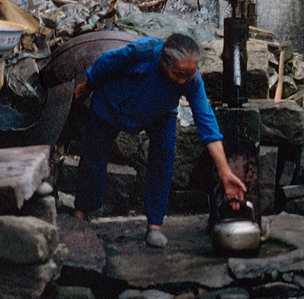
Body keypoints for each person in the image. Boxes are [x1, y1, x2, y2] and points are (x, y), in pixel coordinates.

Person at [73, 32, 246, 245]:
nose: (184, 81)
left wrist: (225, 173)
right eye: (178, 74)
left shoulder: (191, 80)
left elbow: (207, 124)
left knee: (164, 160)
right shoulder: (141, 53)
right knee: (93, 157)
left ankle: (155, 224)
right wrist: (87, 86)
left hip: (159, 113)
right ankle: (81, 215)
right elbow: (105, 64)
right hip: (112, 104)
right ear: (164, 63)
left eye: (189, 75)